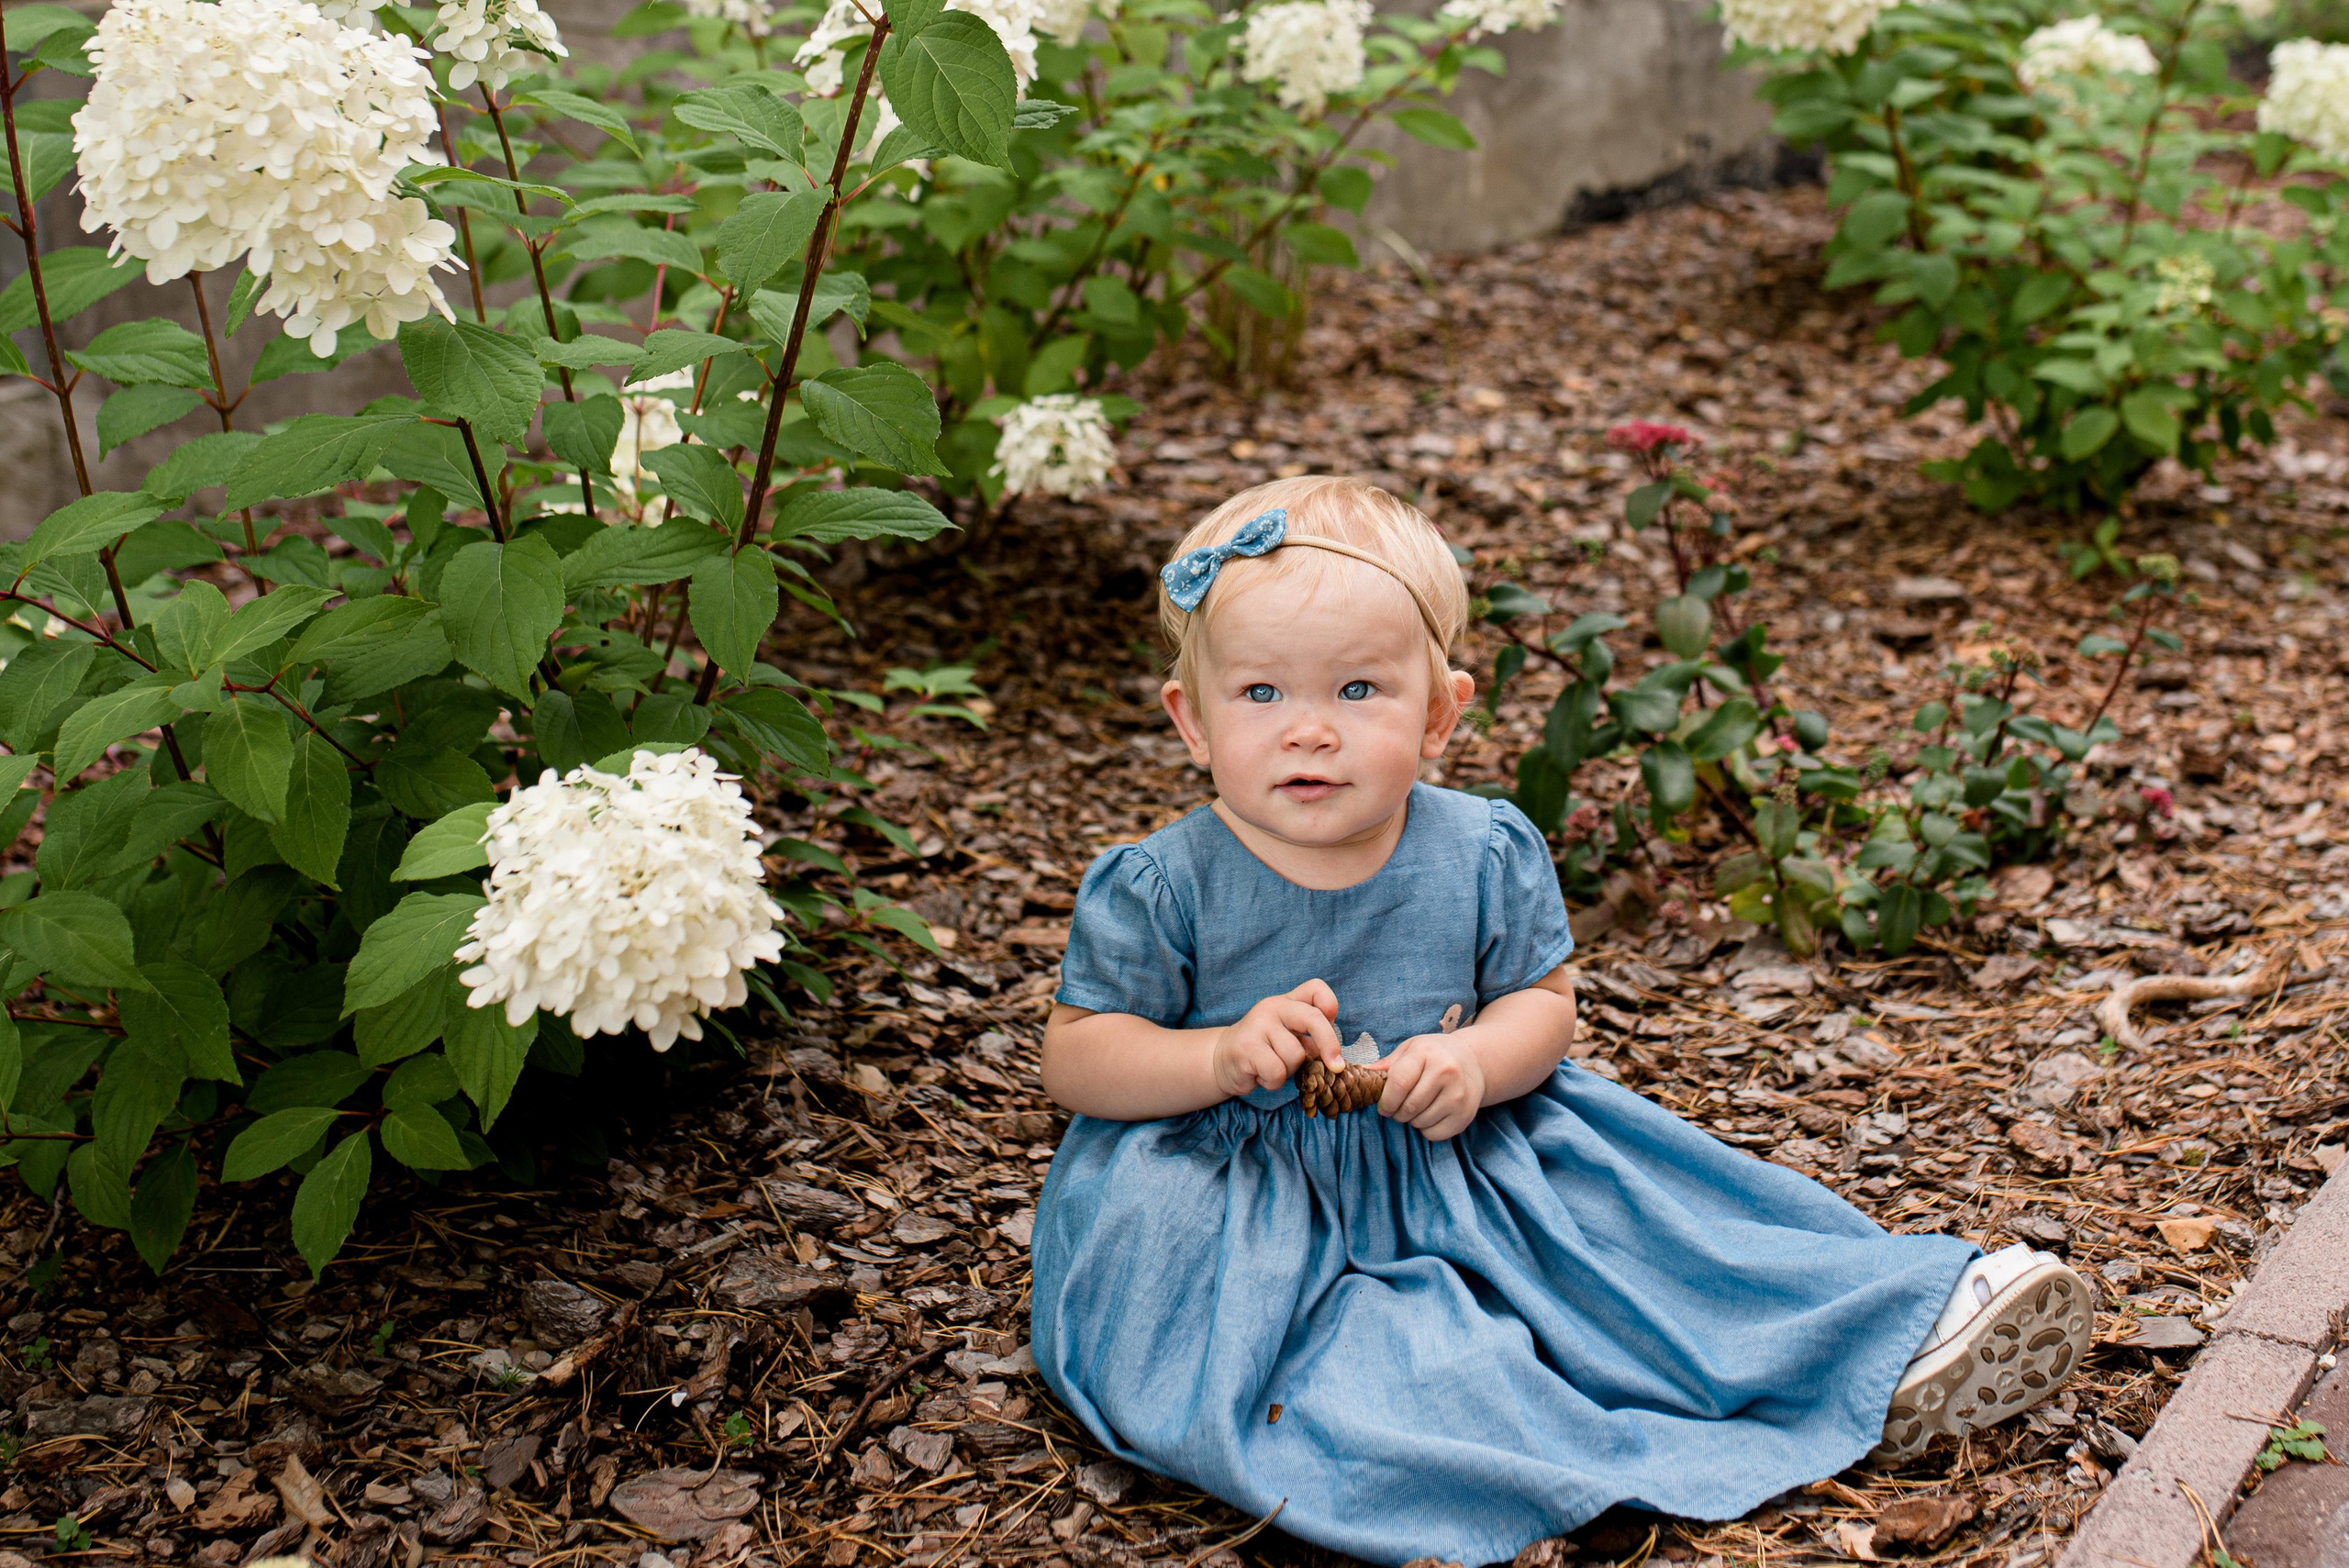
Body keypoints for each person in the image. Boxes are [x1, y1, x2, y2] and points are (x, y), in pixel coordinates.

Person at [1028, 475, 2092, 1568]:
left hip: (1468, 1154)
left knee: (1657, 1249)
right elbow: (1077, 1057)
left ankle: (1886, 1328)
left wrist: (1477, 1057)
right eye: (1258, 693)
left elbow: (1543, 1001)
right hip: (1239, 1202)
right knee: (1382, 1357)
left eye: (1357, 688)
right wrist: (1211, 1053)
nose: (1309, 729)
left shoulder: (1480, 847)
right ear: (1190, 720)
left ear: (1441, 710)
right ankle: (1503, 1459)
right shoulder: (1161, 884)